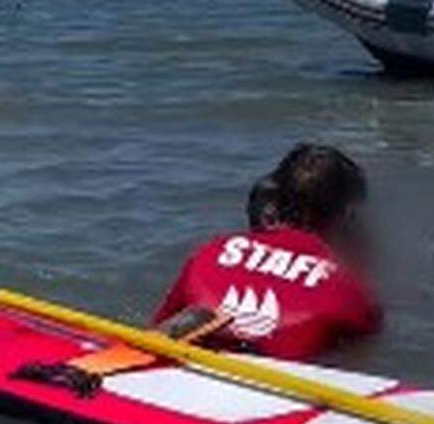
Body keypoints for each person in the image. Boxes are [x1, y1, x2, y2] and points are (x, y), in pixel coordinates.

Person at [154, 144, 382, 360]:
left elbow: (157, 326)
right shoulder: (351, 291)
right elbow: (364, 361)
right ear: (347, 216)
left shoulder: (212, 251)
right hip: (280, 380)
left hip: (193, 353)